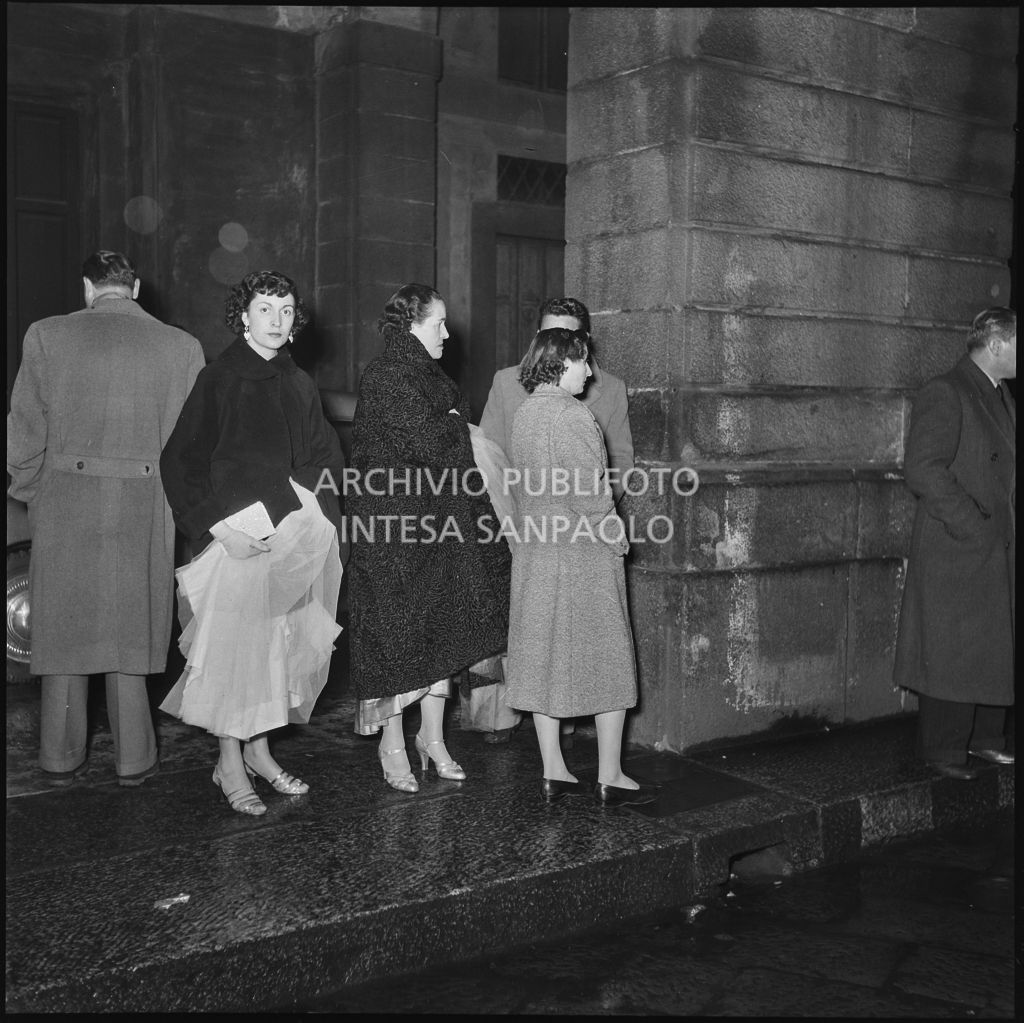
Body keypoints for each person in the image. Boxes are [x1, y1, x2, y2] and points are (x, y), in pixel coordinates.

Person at [6, 250, 205, 786]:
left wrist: (33, 494)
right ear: (135, 287)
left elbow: (23, 433)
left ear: (88, 287)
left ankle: (60, 755)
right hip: (146, 503)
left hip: (65, 499)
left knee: (67, 634)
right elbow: (192, 449)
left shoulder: (46, 336)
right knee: (129, 631)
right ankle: (135, 759)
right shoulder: (182, 347)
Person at [159, 269, 344, 816]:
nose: (276, 320)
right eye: (265, 309)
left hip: (284, 536)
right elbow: (180, 461)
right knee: (233, 655)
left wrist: (305, 513)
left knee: (273, 653)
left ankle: (259, 754)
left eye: (286, 311)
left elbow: (322, 457)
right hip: (233, 538)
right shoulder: (218, 379)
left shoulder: (298, 381)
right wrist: (221, 530)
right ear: (243, 316)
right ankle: (229, 763)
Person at [348, 283, 511, 793]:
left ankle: (433, 739)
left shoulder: (423, 371)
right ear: (412, 323)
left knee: (446, 631)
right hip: (397, 530)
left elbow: (443, 437)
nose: (447, 331)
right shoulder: (391, 373)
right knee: (399, 640)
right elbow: (429, 442)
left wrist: (452, 424)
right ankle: (392, 743)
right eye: (439, 322)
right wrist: (454, 424)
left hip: (437, 523)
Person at [467, 296, 635, 743]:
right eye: (547, 333)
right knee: (506, 624)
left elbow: (619, 458)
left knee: (565, 631)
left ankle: (569, 718)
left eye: (568, 335)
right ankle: (495, 718)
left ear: (583, 340)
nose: (556, 343)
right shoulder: (507, 382)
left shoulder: (608, 387)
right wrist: (508, 517)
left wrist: (587, 517)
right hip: (510, 520)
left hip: (574, 532)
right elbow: (488, 454)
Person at [505, 326, 657, 807]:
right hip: (580, 555)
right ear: (562, 363)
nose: (590, 371)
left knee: (544, 657)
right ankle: (610, 773)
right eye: (583, 362)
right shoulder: (574, 417)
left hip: (537, 553)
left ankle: (553, 769)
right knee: (609, 660)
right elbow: (591, 495)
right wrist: (618, 539)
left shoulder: (526, 414)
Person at [893, 306, 1015, 780]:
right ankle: (943, 749)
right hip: (957, 547)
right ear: (997, 344)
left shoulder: (1000, 394)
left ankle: (985, 739)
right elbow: (923, 467)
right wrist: (973, 524)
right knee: (952, 650)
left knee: (989, 645)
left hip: (991, 548)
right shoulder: (947, 390)